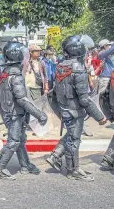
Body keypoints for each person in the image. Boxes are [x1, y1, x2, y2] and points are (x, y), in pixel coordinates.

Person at [46, 35, 106, 182]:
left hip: (65, 109)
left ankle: (55, 156)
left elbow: (53, 92)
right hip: (75, 110)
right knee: (74, 140)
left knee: (71, 136)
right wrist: (100, 116)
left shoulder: (61, 65)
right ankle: (73, 171)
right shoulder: (78, 68)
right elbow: (84, 99)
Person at [0, 41, 48, 180]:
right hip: (14, 113)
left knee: (20, 140)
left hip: (11, 112)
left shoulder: (6, 73)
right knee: (14, 141)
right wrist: (39, 114)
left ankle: (25, 164)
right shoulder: (15, 76)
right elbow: (22, 99)